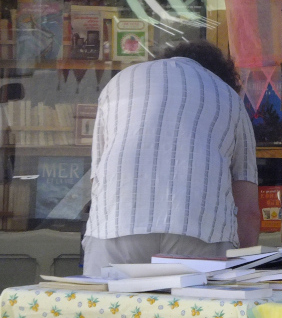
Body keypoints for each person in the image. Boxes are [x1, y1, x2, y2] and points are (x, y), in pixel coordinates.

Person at [82, 40, 261, 276]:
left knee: (107, 300)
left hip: (115, 226)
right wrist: (244, 273)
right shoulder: (228, 97)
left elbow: (97, 179)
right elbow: (248, 210)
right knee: (196, 301)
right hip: (199, 231)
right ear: (221, 76)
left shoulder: (119, 83)